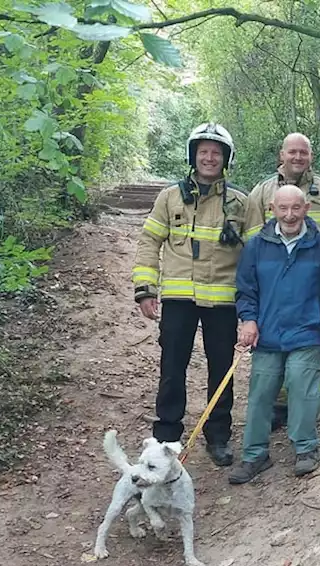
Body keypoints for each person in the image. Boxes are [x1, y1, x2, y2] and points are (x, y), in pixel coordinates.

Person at [132, 122, 249, 467]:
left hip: (223, 301)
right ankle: (166, 437)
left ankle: (218, 436)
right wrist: (145, 289)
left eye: (216, 153)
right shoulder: (169, 197)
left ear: (226, 158)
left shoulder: (240, 203)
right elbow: (149, 243)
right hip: (179, 299)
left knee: (221, 369)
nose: (209, 158)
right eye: (203, 152)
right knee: (172, 368)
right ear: (193, 156)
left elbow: (256, 252)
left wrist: (254, 302)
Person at [230, 185, 320, 484]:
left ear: (306, 208)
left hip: (306, 332)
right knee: (260, 393)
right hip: (267, 334)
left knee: (301, 386)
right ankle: (255, 454)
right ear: (272, 209)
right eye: (283, 208)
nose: (290, 214)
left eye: (296, 208)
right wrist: (248, 320)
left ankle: (305, 449)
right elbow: (246, 290)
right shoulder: (256, 245)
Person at [245, 133, 320, 429]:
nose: (298, 157)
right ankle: (281, 405)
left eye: (304, 152)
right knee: (278, 344)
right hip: (277, 284)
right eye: (292, 152)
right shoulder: (261, 192)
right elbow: (251, 240)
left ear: (311, 156)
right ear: (281, 154)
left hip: (316, 282)